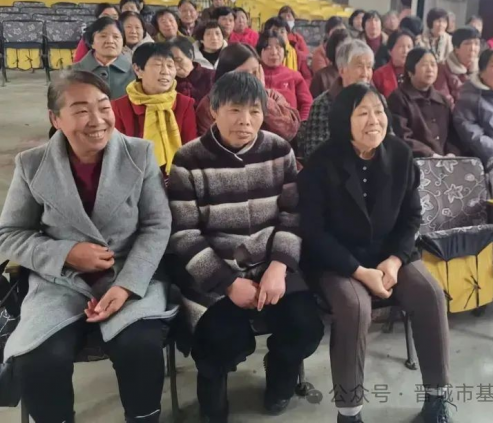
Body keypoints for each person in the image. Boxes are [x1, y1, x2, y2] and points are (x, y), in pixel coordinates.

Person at [0, 71, 175, 423]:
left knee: (140, 348)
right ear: (55, 118)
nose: (97, 120)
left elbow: (157, 225)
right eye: (80, 110)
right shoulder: (32, 165)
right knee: (38, 360)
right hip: (60, 282)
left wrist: (127, 285)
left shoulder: (139, 154)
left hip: (129, 274)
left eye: (103, 106)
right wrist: (65, 253)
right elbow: (10, 233)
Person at [167, 72, 324, 421]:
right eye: (235, 110)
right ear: (214, 110)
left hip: (272, 266)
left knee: (305, 326)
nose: (245, 121)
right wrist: (227, 283)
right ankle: (213, 396)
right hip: (216, 272)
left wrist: (279, 266)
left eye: (254, 111)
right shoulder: (189, 160)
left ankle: (280, 373)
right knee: (219, 337)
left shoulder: (278, 150)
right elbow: (184, 234)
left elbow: (292, 216)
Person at [298, 83, 453, 423]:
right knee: (354, 308)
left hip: (390, 253)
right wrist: (359, 271)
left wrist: (395, 260)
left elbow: (412, 216)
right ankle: (349, 413)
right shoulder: (321, 163)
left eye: (379, 111)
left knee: (431, 294)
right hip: (337, 259)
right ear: (344, 120)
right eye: (363, 113)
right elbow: (314, 232)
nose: (374, 120)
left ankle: (436, 400)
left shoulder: (400, 154)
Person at [112, 43, 197, 174]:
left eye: (170, 65)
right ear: (138, 70)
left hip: (176, 176)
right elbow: (118, 153)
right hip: (135, 176)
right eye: (158, 65)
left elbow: (190, 148)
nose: (165, 71)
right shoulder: (119, 107)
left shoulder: (184, 104)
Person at [195, 44, 300, 141]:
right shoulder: (210, 104)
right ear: (226, 74)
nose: (251, 79)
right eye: (243, 74)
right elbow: (212, 144)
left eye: (255, 72)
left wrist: (261, 97)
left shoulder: (272, 96)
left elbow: (289, 131)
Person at [298, 39, 374, 160]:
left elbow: (388, 143)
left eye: (369, 67)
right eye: (359, 66)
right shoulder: (323, 104)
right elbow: (315, 153)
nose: (365, 73)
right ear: (342, 70)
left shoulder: (378, 102)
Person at [388, 48, 461, 157]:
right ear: (410, 71)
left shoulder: (442, 100)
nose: (430, 69)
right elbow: (402, 137)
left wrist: (451, 153)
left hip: (446, 162)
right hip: (415, 162)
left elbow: (453, 135)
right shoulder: (398, 98)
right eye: (424, 65)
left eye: (433, 64)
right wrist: (430, 155)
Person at [72, 16, 135, 99]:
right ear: (92, 43)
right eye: (103, 36)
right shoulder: (72, 73)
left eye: (116, 37)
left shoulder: (136, 74)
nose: (110, 41)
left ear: (123, 43)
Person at [259, 32, 313, 120]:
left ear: (284, 52)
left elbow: (307, 103)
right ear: (259, 52)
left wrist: (301, 125)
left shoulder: (295, 76)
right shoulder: (253, 74)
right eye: (268, 48)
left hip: (290, 129)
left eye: (278, 47)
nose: (274, 52)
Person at [434, 26, 480, 104]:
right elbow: (445, 100)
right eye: (467, 43)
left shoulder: (482, 69)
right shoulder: (442, 68)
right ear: (456, 48)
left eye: (476, 44)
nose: (473, 48)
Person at [263, 16, 312, 82]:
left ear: (287, 34)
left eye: (282, 32)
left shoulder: (299, 57)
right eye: (275, 31)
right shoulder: (260, 55)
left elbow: (307, 79)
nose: (279, 34)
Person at [171, 37, 215, 109]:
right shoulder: (169, 83)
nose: (175, 67)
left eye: (179, 60)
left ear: (190, 54)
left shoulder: (211, 76)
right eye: (170, 62)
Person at [372, 29, 415, 98]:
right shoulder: (379, 75)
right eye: (401, 46)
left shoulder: (418, 72)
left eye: (409, 47)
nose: (406, 51)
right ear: (390, 51)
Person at [310, 28, 351, 98]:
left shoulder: (359, 71)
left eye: (349, 47)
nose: (346, 51)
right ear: (333, 49)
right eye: (341, 47)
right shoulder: (321, 77)